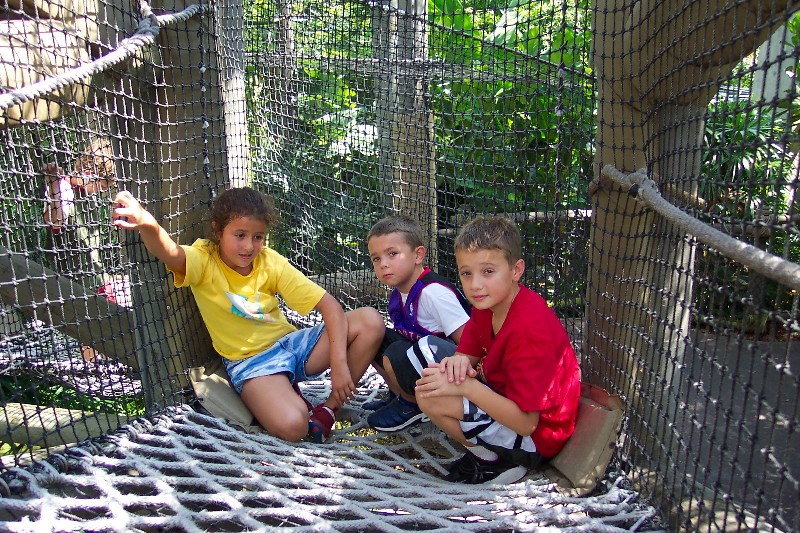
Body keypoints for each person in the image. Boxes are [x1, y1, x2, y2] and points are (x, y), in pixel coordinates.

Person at [111, 187, 384, 443]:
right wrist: (147, 222)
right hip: (251, 363)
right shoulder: (205, 260)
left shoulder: (269, 261)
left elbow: (330, 307)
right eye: (239, 235)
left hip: (291, 346)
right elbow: (169, 252)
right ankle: (288, 398)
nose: (249, 246)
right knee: (293, 425)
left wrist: (339, 364)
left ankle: (329, 410)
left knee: (370, 321)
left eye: (257, 237)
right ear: (218, 231)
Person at [415, 215, 581, 484]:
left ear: (516, 270)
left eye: (488, 271)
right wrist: (458, 362)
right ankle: (487, 456)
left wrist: (467, 387)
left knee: (435, 396)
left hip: (538, 439)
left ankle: (503, 463)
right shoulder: (488, 303)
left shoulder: (528, 329)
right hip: (506, 401)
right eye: (466, 273)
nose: (475, 284)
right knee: (429, 387)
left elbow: (528, 423)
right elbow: (466, 352)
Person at [364, 215, 471, 432]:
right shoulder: (399, 293)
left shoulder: (433, 293)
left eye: (392, 254)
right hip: (424, 366)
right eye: (376, 258)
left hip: (454, 375)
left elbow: (470, 342)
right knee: (373, 337)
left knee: (396, 351)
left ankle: (411, 406)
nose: (383, 263)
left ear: (418, 255)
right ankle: (399, 395)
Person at [42, 136, 131, 362]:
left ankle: (98, 364)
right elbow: (55, 221)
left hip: (94, 276)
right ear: (90, 173)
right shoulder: (63, 188)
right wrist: (53, 185)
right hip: (75, 279)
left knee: (120, 304)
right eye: (101, 186)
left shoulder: (86, 196)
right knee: (96, 324)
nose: (99, 192)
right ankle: (91, 368)